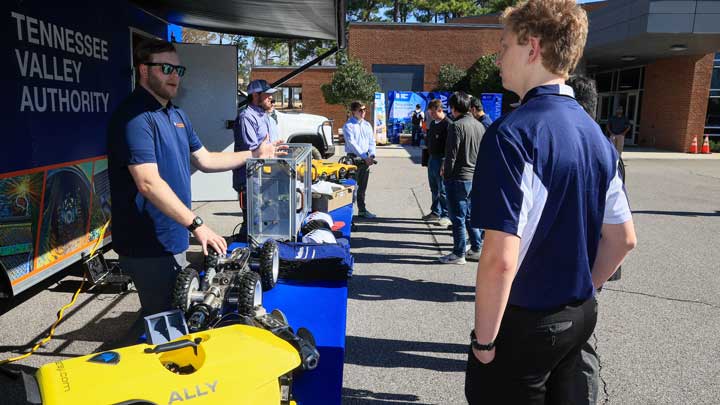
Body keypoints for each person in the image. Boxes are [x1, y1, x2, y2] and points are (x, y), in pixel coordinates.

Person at [466, 2, 636, 404]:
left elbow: (500, 260)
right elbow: (623, 239)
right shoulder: (596, 136)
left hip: (527, 322)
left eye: (504, 45)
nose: (498, 56)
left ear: (532, 48)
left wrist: (484, 341)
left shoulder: (512, 135)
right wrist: (583, 289)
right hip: (579, 314)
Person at [107, 39, 279, 317]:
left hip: (172, 235)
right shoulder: (134, 117)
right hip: (146, 242)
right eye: (165, 68)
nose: (174, 75)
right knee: (164, 320)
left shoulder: (176, 114)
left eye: (178, 69)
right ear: (143, 70)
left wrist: (255, 153)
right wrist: (197, 224)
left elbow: (206, 159)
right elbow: (147, 182)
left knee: (177, 311)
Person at [439, 92, 485, 265]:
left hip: (458, 177)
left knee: (457, 217)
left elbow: (451, 155)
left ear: (453, 107)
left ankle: (459, 253)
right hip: (474, 176)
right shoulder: (479, 125)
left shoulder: (456, 126)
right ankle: (476, 247)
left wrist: (446, 176)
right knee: (470, 215)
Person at [232, 79, 279, 240]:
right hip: (249, 180)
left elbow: (266, 147)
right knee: (252, 225)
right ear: (255, 96)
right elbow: (252, 152)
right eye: (267, 96)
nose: (271, 99)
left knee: (261, 223)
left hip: (263, 177)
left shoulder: (263, 116)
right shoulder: (246, 117)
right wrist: (269, 150)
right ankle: (242, 253)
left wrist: (275, 149)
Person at [343, 101, 377, 218]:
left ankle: (362, 210)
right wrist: (365, 157)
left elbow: (372, 141)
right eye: (360, 110)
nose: (363, 112)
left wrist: (372, 155)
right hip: (353, 159)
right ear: (353, 112)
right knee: (352, 188)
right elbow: (352, 144)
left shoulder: (367, 125)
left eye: (364, 110)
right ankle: (348, 214)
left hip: (366, 159)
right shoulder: (348, 126)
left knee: (362, 187)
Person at [422, 99, 451, 227]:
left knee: (442, 189)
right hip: (432, 158)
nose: (431, 115)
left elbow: (449, 146)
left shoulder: (448, 124)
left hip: (441, 159)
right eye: (430, 113)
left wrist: (445, 162)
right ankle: (435, 211)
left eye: (433, 112)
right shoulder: (433, 123)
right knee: (433, 187)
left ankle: (446, 215)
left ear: (440, 110)